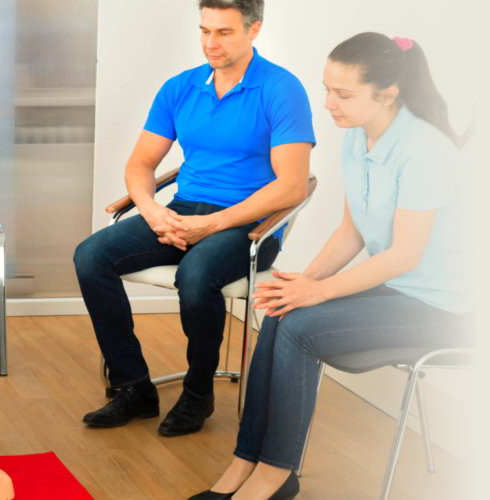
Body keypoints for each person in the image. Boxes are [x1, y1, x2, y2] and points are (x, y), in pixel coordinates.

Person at [189, 32, 472, 500]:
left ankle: (274, 476)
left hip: (442, 307)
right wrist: (306, 280)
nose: (328, 104)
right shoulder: (358, 137)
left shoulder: (425, 149)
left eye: (343, 95)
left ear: (387, 94)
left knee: (300, 327)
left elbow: (405, 254)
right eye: (327, 90)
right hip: (397, 289)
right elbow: (352, 231)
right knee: (280, 310)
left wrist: (318, 293)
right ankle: (245, 461)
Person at [74, 0, 313, 436]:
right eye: (204, 31)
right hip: (183, 212)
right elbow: (141, 164)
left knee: (197, 275)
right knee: (91, 257)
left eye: (223, 33)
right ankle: (132, 386)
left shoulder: (281, 89)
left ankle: (198, 393)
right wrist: (154, 211)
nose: (210, 43)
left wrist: (215, 225)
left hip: (251, 222)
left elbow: (293, 185)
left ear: (253, 29)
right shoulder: (181, 87)